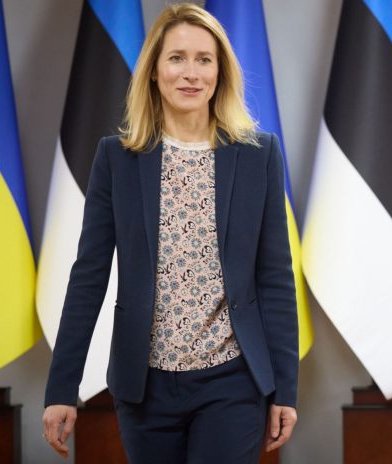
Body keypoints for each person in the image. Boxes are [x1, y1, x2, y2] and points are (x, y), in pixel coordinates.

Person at [41, 4, 298, 463]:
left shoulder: (258, 154)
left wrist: (286, 391)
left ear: (220, 72)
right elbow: (88, 277)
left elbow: (275, 278)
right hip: (144, 387)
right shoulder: (117, 158)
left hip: (233, 381)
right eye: (177, 58)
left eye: (204, 59)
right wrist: (62, 388)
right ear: (155, 71)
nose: (191, 73)